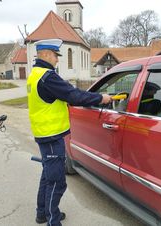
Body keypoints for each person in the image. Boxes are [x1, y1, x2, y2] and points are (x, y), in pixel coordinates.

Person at [27, 39, 112, 226]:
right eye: (56, 56)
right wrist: (101, 98)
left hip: (44, 133)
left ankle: (42, 213)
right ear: (47, 54)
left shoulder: (35, 74)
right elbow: (74, 96)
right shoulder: (48, 77)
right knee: (57, 182)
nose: (57, 60)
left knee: (47, 176)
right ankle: (52, 220)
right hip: (51, 135)